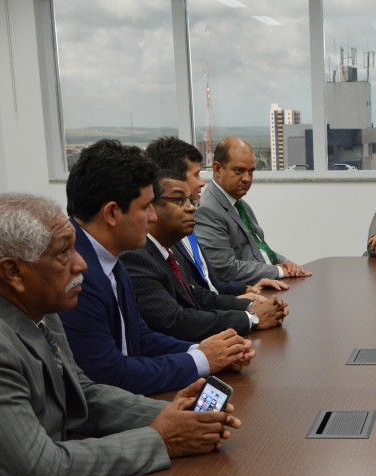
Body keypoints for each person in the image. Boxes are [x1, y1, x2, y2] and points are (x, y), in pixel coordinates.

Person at [0, 193, 241, 476]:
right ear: (12, 271)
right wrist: (161, 438)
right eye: (63, 252)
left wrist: (168, 416)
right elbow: (43, 473)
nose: (81, 264)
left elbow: (81, 392)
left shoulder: (35, 303)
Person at [59, 139, 253, 395]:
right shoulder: (75, 273)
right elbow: (109, 376)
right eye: (145, 207)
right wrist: (203, 360)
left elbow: (139, 337)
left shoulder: (109, 256)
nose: (152, 217)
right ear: (112, 213)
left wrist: (202, 351)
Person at [120, 170, 289, 342]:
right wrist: (251, 318)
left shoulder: (171, 250)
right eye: (179, 200)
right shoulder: (136, 256)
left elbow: (199, 296)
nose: (192, 207)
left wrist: (251, 305)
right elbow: (176, 322)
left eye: (190, 201)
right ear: (151, 207)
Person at [195, 136, 311, 284]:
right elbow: (225, 269)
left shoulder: (240, 204)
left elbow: (258, 249)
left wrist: (288, 263)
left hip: (266, 284)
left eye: (251, 171)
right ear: (217, 169)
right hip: (248, 294)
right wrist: (281, 271)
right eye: (239, 171)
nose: (247, 179)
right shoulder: (207, 210)